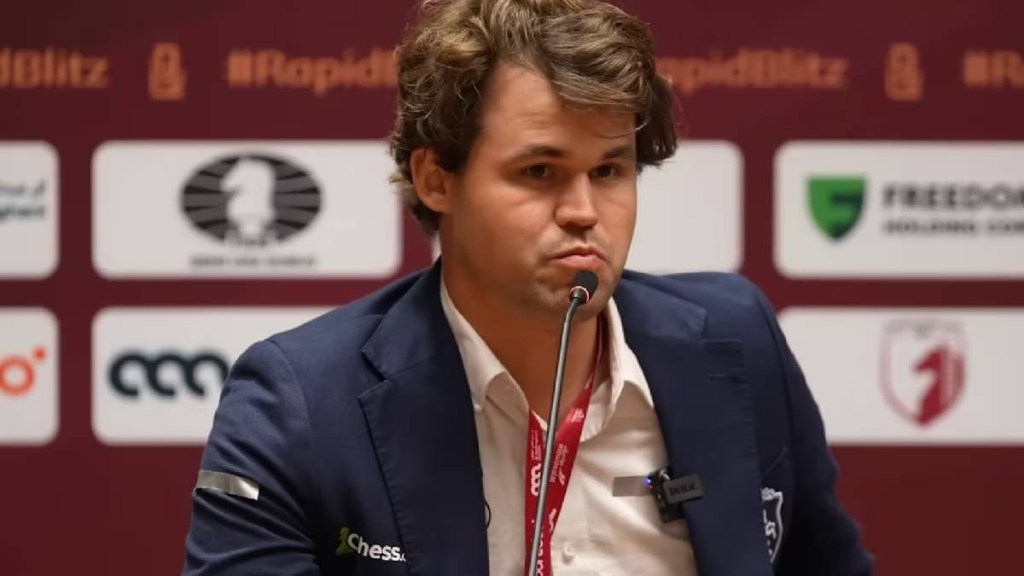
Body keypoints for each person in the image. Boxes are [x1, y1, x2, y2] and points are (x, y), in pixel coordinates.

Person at [182, 0, 873, 574]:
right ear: (436, 179)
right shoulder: (301, 402)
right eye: (540, 172)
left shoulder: (737, 339)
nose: (584, 211)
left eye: (609, 170)